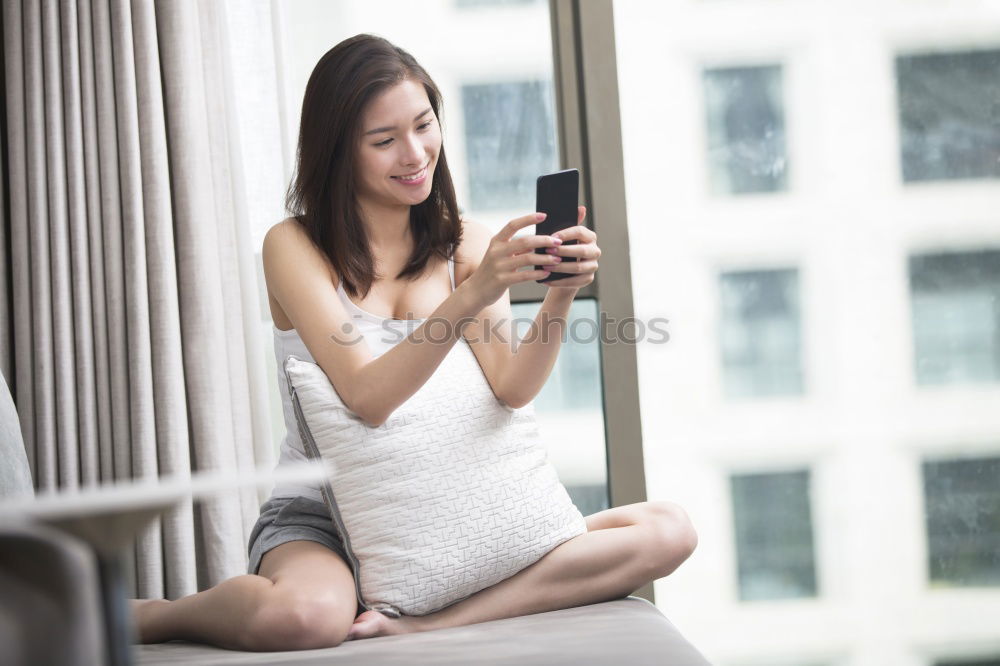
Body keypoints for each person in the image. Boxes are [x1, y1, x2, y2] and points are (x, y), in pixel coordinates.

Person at [130, 33, 697, 651]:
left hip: (449, 506)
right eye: (384, 141)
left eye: (425, 125)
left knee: (670, 530)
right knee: (304, 620)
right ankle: (154, 616)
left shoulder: (465, 244)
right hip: (323, 515)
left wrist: (561, 292)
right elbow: (367, 397)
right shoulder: (294, 247)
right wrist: (472, 294)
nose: (415, 153)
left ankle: (438, 616)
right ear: (337, 152)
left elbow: (512, 387)